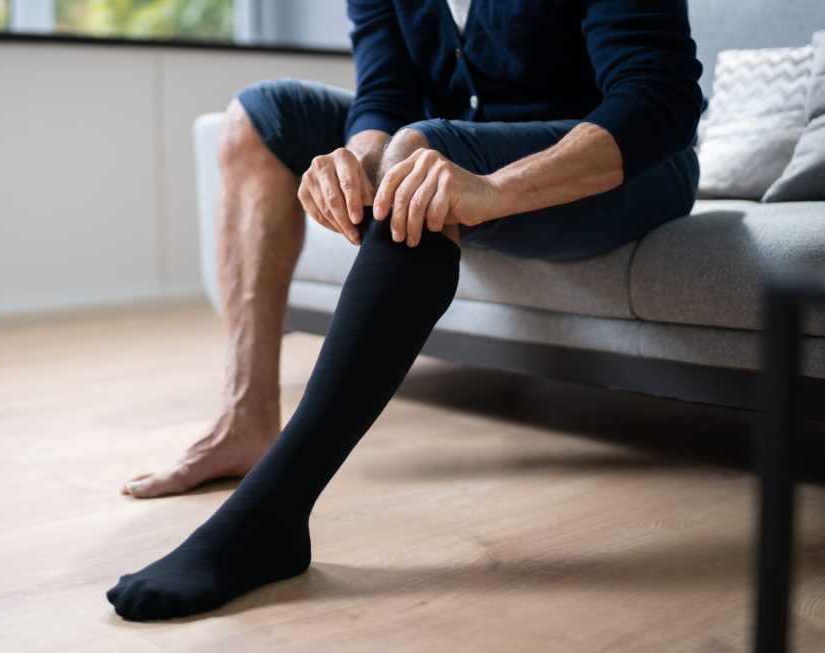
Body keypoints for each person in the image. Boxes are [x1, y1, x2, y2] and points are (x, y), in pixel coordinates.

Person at [107, 0, 703, 620]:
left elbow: (659, 99)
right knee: (263, 114)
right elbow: (387, 92)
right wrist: (357, 160)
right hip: (468, 137)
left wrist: (494, 189)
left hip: (627, 169)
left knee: (424, 150)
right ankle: (245, 421)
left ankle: (271, 514)